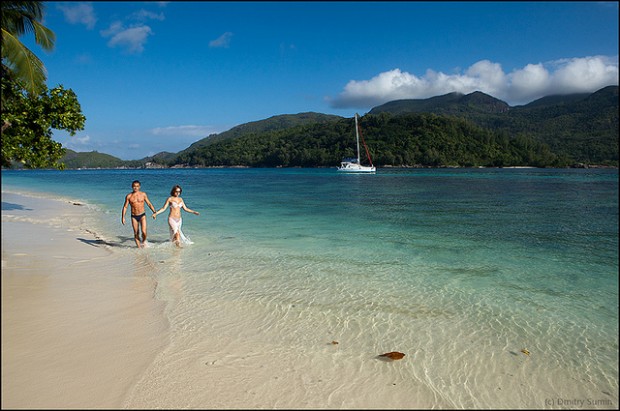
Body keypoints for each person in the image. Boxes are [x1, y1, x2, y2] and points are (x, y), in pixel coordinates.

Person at [121, 180, 157, 248]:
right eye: (134, 186)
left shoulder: (143, 194)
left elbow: (149, 203)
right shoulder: (129, 196)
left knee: (144, 232)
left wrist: (154, 212)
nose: (135, 188)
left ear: (139, 187)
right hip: (134, 216)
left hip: (142, 215)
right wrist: (123, 217)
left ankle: (143, 241)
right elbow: (125, 207)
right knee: (136, 233)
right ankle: (139, 249)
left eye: (137, 186)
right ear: (132, 187)